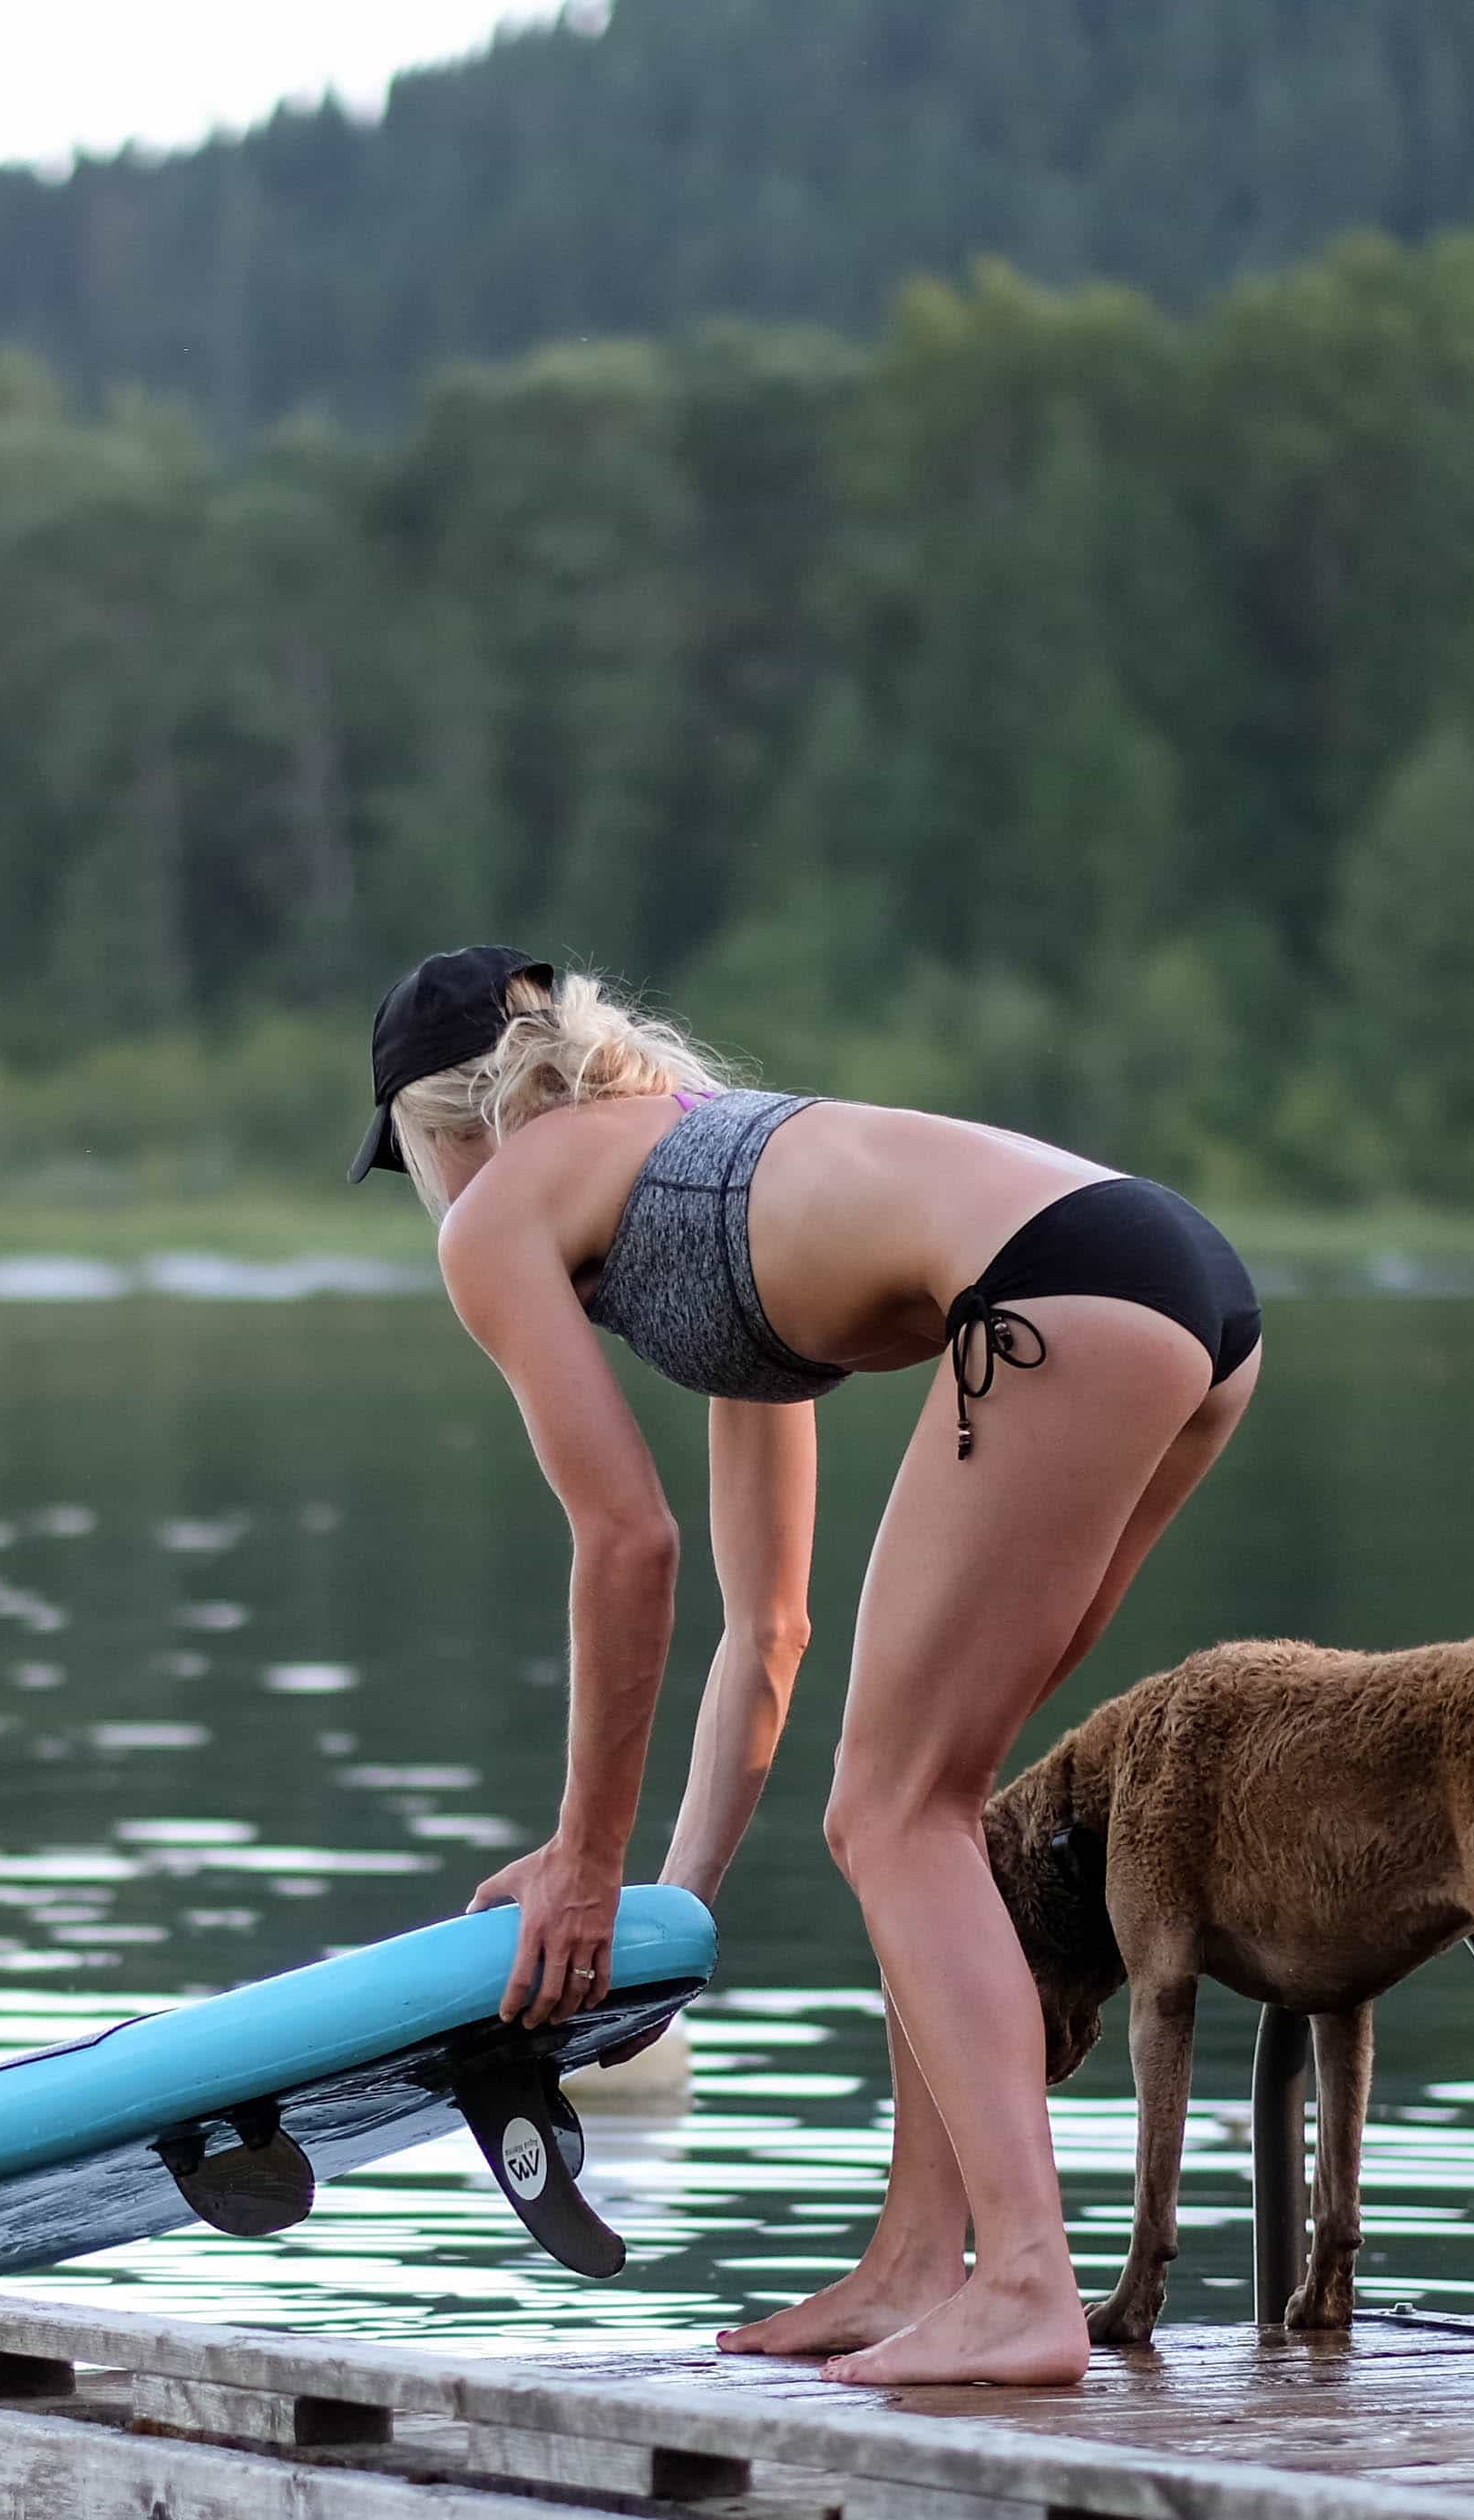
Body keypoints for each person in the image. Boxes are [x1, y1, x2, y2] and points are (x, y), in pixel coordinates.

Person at [356, 945, 1263, 2388]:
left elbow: (624, 1545)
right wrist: (672, 1900)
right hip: (1186, 1288)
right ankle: (919, 2260)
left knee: (891, 1813)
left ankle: (1026, 2281)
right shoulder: (696, 1149)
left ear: (436, 1125)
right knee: (929, 1813)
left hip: (1060, 1293)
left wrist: (582, 1867)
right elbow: (764, 1625)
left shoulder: (498, 1218)